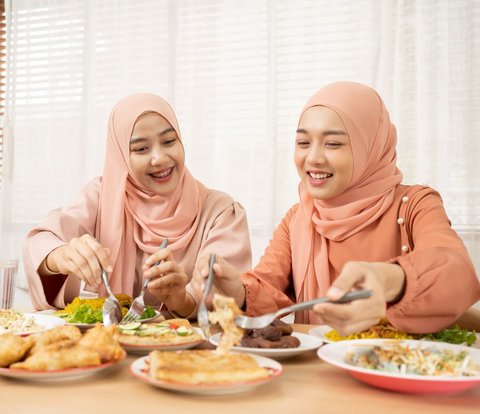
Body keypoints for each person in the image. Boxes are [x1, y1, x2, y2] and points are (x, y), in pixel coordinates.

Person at [194, 81, 480, 335]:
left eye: (333, 143)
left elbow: (455, 269)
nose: (313, 158)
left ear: (371, 146)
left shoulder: (414, 204)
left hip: (404, 376)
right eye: (303, 142)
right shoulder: (299, 218)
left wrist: (390, 281)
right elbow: (266, 285)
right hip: (321, 375)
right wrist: (237, 292)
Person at [23, 93, 252, 317]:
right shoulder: (102, 195)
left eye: (169, 141)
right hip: (105, 347)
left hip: (186, 351)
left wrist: (183, 299)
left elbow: (227, 301)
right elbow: (41, 240)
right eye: (141, 148)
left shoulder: (220, 212)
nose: (160, 158)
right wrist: (61, 257)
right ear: (121, 154)